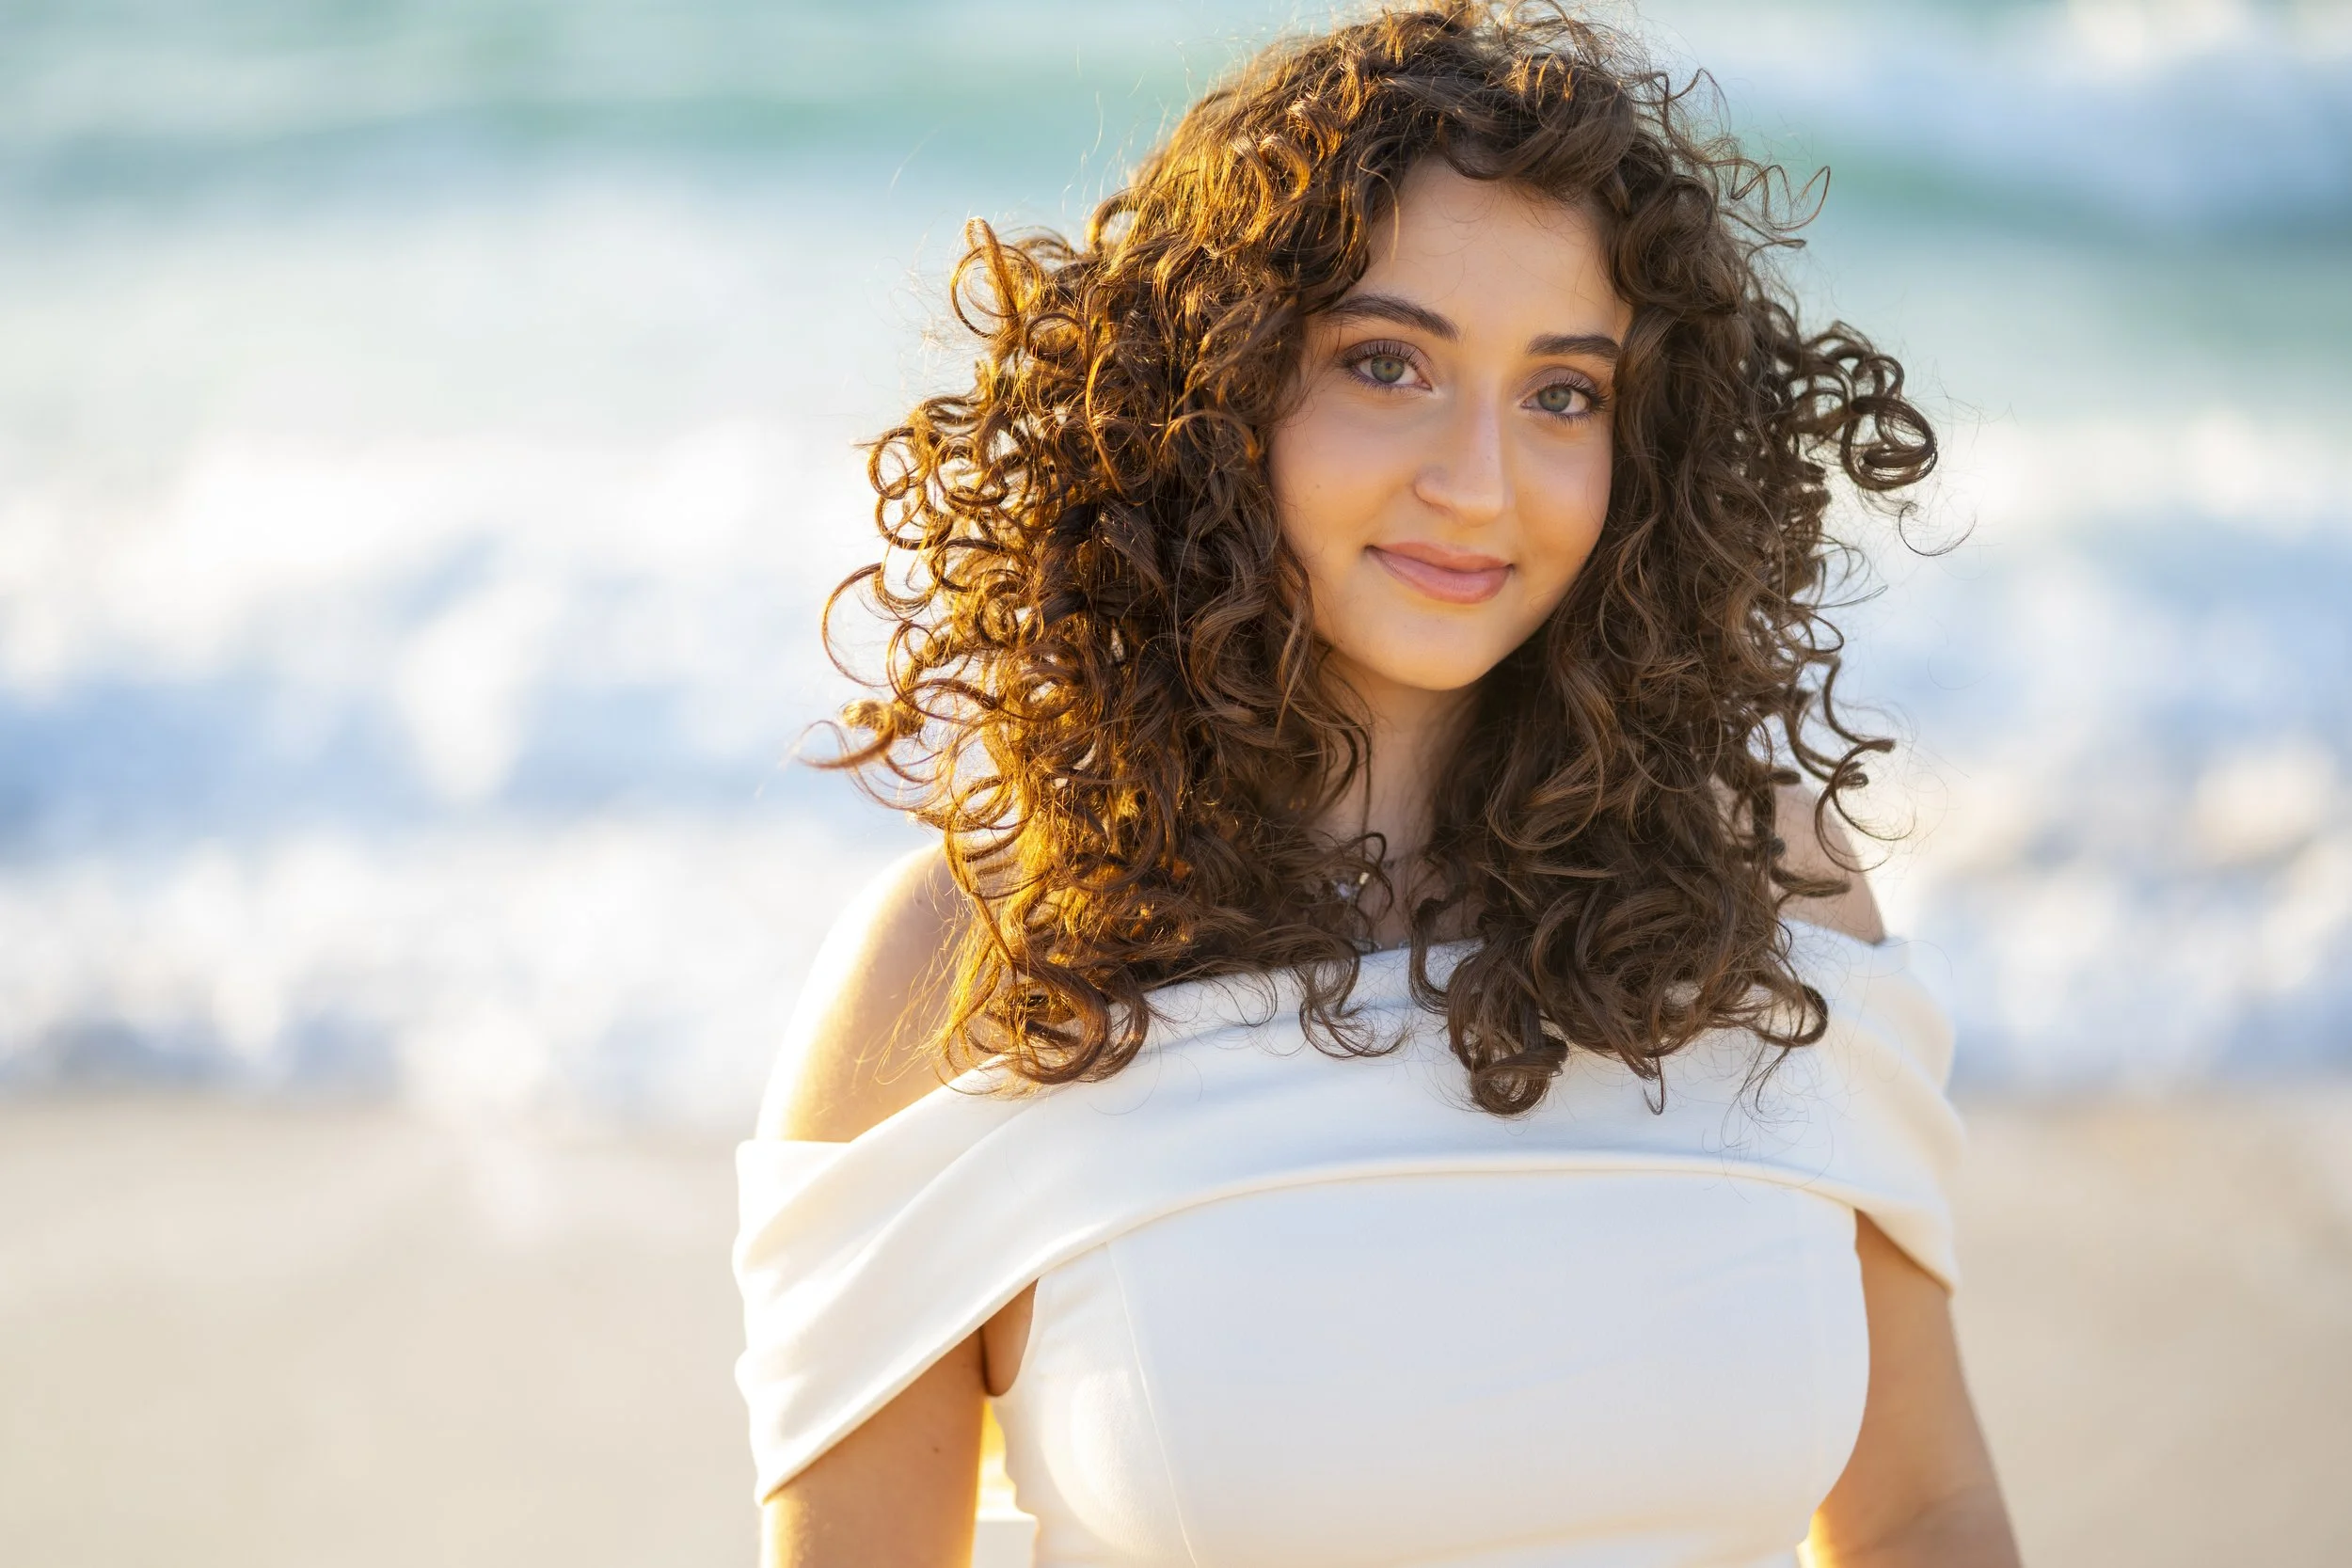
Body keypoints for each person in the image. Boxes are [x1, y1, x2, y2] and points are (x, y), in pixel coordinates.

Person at [737, 5, 2021, 1564]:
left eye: (1564, 393)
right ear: (1214, 392)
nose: (1479, 484)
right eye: (1387, 362)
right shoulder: (962, 969)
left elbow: (1924, 1513)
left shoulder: (1772, 893)